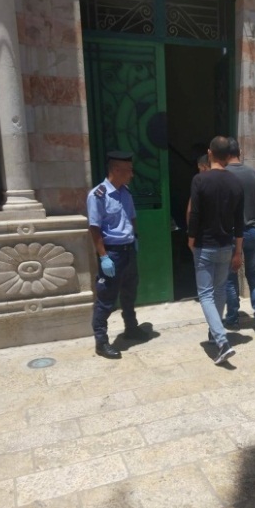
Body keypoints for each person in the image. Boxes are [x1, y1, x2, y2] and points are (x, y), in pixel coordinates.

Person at [187, 136, 244, 365]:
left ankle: (222, 341)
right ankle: (215, 333)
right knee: (219, 291)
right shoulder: (235, 182)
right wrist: (237, 250)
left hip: (205, 244)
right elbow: (239, 221)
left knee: (205, 295)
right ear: (229, 155)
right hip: (225, 245)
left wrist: (191, 239)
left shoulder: (200, 180)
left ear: (210, 153)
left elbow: (195, 214)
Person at [87, 150, 148, 359]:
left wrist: (135, 238)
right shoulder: (98, 195)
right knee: (105, 299)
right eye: (128, 170)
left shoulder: (126, 192)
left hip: (128, 250)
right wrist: (103, 256)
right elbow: (94, 228)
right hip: (112, 253)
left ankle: (131, 327)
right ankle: (101, 341)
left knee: (130, 292)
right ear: (116, 169)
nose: (131, 174)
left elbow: (131, 218)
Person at [224, 137, 255, 333]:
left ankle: (233, 318)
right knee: (252, 274)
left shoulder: (222, 175)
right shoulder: (254, 174)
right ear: (240, 152)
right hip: (253, 232)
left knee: (230, 277)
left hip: (231, 234)